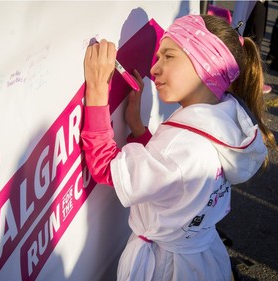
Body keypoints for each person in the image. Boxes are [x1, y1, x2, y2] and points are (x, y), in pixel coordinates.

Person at [81, 14, 276, 281]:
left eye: (169, 56)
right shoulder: (223, 121)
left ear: (207, 65)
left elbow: (105, 167)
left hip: (166, 269)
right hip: (206, 259)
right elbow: (174, 180)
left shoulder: (185, 145)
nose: (154, 69)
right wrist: (137, 127)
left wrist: (95, 89)